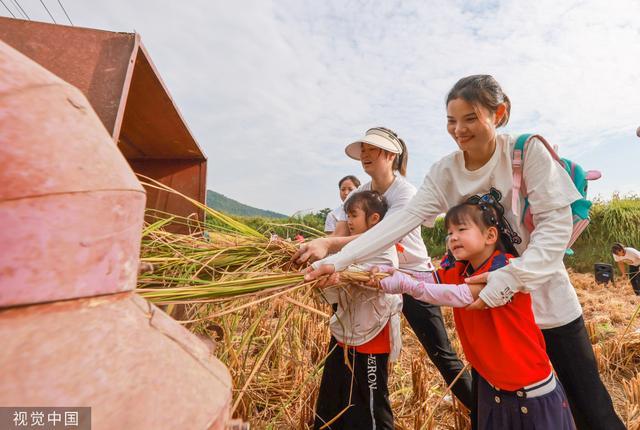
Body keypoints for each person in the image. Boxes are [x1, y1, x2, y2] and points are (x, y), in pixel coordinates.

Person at [304, 75, 624, 429]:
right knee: (495, 411)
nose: (459, 129)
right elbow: (401, 221)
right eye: (451, 121)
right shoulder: (446, 171)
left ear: (498, 113)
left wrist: (511, 277)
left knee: (590, 408)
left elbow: (554, 225)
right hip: (489, 314)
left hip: (546, 305)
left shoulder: (524, 151)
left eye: (470, 118)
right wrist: (334, 260)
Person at [295, 127, 474, 411]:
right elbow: (341, 231)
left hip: (413, 277)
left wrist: (328, 246)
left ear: (390, 155)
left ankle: (482, 408)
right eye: (362, 150)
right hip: (370, 277)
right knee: (347, 344)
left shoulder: (406, 193)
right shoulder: (362, 192)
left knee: (441, 354)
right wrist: (322, 247)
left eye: (371, 150)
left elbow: (383, 236)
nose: (364, 155)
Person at [377, 201, 575, 429]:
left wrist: (408, 286)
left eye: (461, 229)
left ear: (490, 235)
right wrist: (396, 272)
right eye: (449, 232)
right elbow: (430, 278)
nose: (452, 237)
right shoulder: (461, 269)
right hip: (494, 390)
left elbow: (460, 295)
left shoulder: (506, 269)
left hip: (531, 395)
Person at [314, 190, 401, 429]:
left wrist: (341, 276)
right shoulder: (345, 252)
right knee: (334, 395)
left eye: (354, 215)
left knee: (373, 402)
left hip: (371, 335)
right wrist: (322, 281)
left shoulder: (385, 247)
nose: (349, 222)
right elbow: (332, 292)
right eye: (347, 215)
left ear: (373, 219)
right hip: (344, 332)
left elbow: (378, 275)